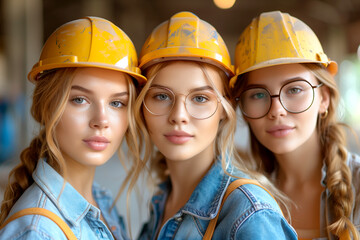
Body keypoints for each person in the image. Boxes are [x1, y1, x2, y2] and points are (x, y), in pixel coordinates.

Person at [133, 11, 297, 239]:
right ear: (141, 104)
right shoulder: (162, 199)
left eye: (200, 98)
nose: (179, 116)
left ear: (225, 107)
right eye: (161, 96)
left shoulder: (250, 213)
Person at [0, 16, 146, 239]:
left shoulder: (100, 201)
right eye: (80, 99)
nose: (101, 119)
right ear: (46, 106)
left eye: (117, 103)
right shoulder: (37, 232)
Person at [230, 11, 360, 240]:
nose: (276, 110)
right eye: (258, 95)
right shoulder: (241, 197)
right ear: (243, 109)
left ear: (324, 98)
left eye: (294, 89)